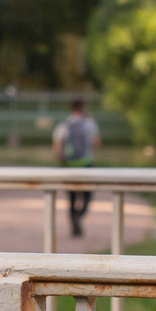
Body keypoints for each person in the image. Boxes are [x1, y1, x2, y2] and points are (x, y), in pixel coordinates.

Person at [51, 97, 99, 237]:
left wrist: (62, 161)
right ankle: (79, 215)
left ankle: (74, 224)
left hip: (69, 165)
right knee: (87, 195)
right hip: (86, 164)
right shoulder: (89, 124)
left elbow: (58, 146)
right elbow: (96, 143)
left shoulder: (64, 125)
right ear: (83, 108)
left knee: (71, 197)